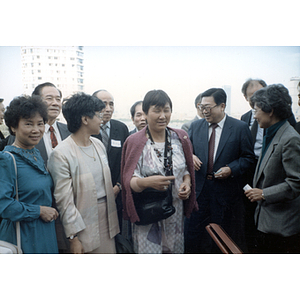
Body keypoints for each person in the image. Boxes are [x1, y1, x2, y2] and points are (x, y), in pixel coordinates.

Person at [121, 89, 198, 254]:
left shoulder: (180, 137)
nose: (162, 115)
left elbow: (185, 169)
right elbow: (129, 180)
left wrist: (186, 183)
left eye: (166, 110)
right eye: (157, 110)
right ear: (146, 113)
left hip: (174, 212)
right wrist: (145, 183)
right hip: (148, 212)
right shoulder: (134, 141)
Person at [185, 88, 255, 253]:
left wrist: (231, 169)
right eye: (201, 107)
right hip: (200, 192)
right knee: (193, 237)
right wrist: (191, 156)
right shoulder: (195, 126)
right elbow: (187, 152)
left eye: (208, 107)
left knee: (221, 239)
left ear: (222, 106)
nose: (204, 111)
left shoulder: (239, 127)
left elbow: (248, 158)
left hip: (225, 194)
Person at [48, 93, 119, 254]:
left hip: (107, 218)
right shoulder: (61, 153)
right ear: (85, 119)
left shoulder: (98, 144)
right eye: (98, 115)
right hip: (82, 222)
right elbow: (64, 201)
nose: (101, 119)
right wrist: (73, 238)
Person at [241, 78, 297, 253]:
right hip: (266, 220)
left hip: (281, 226)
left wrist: (264, 193)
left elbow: (296, 183)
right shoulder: (272, 133)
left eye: (256, 110)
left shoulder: (290, 139)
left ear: (270, 111)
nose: (254, 115)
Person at [0, 95, 59, 253]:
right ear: (13, 127)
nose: (36, 130)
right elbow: (3, 206)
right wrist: (39, 211)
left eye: (40, 124)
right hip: (23, 236)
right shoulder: (7, 159)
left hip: (45, 233)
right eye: (28, 124)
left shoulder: (35, 154)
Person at [6, 82, 70, 165]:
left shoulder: (69, 131)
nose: (55, 103)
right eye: (49, 98)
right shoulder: (20, 133)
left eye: (58, 99)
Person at [92, 89, 129, 234]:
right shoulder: (88, 129)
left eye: (111, 104)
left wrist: (118, 186)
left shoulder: (121, 128)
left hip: (117, 192)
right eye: (103, 104)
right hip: (95, 194)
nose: (108, 109)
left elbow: (127, 161)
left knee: (117, 233)